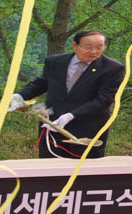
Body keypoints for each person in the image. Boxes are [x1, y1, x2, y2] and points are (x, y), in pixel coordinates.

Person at [14, 27, 125, 160]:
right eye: (88, 47)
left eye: (99, 47)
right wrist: (19, 96)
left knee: (84, 168)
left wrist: (71, 115)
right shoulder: (55, 62)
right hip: (53, 125)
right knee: (49, 166)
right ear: (75, 45)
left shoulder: (113, 68)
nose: (94, 51)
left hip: (87, 129)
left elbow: (104, 100)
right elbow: (41, 83)